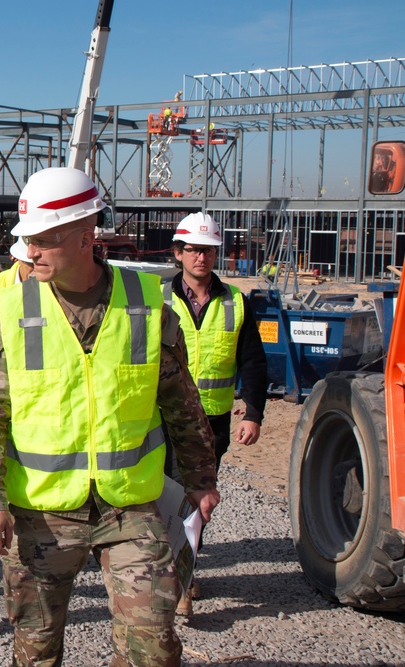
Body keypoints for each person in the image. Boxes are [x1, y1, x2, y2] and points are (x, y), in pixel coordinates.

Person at [0, 167, 220, 667]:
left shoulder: (146, 305)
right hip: (41, 513)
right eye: (28, 240)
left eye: (42, 240)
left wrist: (201, 477)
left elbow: (180, 401)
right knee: (36, 650)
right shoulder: (10, 311)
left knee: (152, 646)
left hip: (131, 507)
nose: (30, 251)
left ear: (84, 237)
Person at [164, 211, 267, 616]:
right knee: (172, 496)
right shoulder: (159, 299)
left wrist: (254, 413)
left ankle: (183, 574)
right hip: (166, 419)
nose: (201, 258)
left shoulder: (235, 303)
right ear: (178, 254)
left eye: (207, 250)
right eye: (193, 250)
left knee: (199, 500)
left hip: (213, 423)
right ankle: (178, 580)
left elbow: (254, 362)